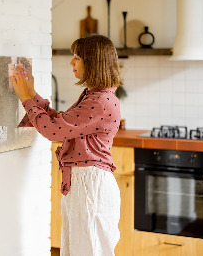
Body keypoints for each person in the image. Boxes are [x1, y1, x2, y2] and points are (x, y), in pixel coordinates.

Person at [10, 34, 122, 256]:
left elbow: (53, 131)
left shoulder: (99, 101)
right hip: (85, 185)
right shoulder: (95, 96)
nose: (72, 63)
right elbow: (61, 123)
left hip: (90, 187)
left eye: (77, 57)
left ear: (93, 62)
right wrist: (32, 94)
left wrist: (25, 98)